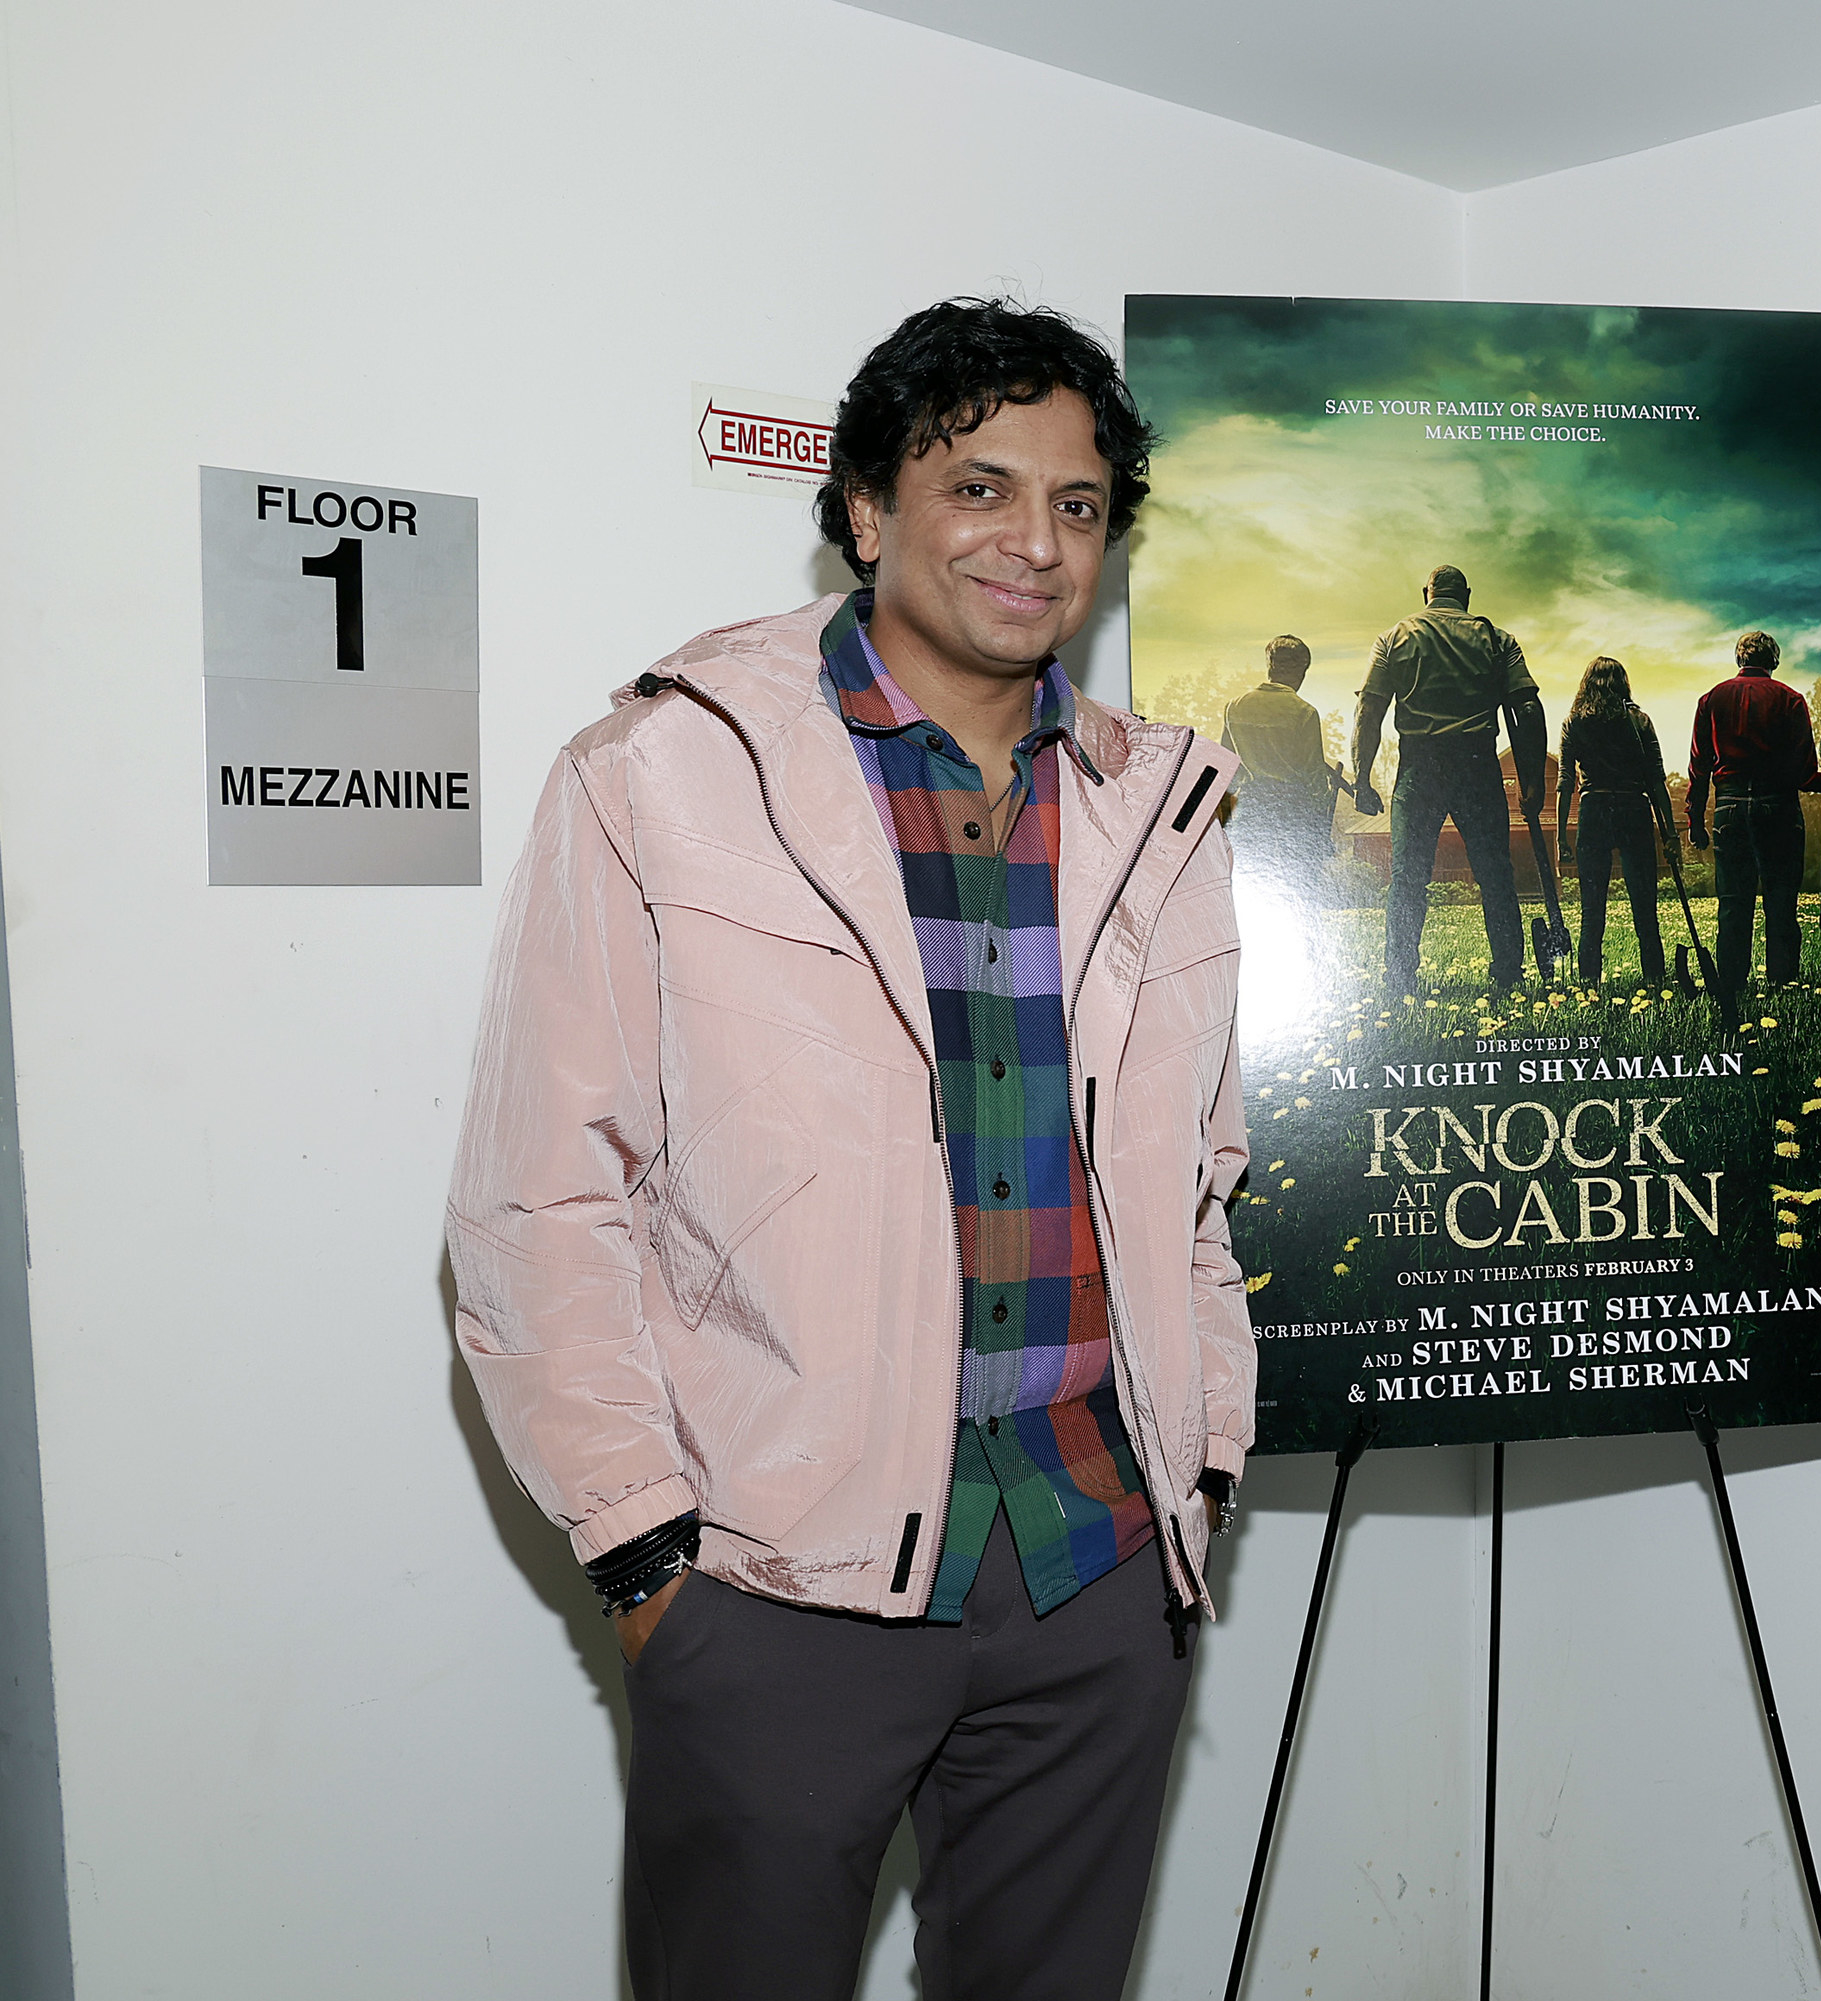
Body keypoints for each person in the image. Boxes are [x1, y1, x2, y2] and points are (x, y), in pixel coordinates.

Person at [446, 298, 1255, 2001]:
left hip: (1098, 1574)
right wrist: (649, 1555)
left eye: (1082, 504)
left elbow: (1196, 1190)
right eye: (980, 489)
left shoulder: (1157, 807)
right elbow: (540, 1200)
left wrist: (1202, 1471)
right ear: (868, 513)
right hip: (776, 1585)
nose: (1038, 543)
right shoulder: (665, 773)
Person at [1351, 564, 1550, 995]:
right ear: (1468, 595)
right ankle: (1508, 974)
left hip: (1419, 767)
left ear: (1427, 593)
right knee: (1495, 873)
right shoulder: (1498, 640)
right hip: (1477, 765)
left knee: (1407, 877)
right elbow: (1528, 709)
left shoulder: (1393, 638)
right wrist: (1534, 779)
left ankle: (1400, 978)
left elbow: (1369, 710)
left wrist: (1363, 778)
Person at [1687, 630, 1821, 1004]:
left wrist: (1696, 821)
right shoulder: (1791, 700)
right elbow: (1804, 771)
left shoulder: (1710, 700)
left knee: (1733, 901)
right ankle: (1782, 984)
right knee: (1780, 899)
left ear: (1739, 659)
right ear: (1773, 661)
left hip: (1729, 806)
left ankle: (1732, 983)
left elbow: (1698, 767)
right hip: (1777, 807)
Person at [1554, 655, 1678, 986]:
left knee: (1591, 909)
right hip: (1633, 810)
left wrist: (1561, 836)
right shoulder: (1640, 721)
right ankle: (1655, 979)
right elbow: (1656, 781)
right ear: (1623, 684)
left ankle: (1589, 982)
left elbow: (1566, 780)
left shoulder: (1574, 722)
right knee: (1644, 906)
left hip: (1593, 811)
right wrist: (1671, 835)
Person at [1220, 633, 1337, 881]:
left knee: (1251, 878)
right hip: (1294, 807)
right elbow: (1313, 773)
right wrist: (1320, 814)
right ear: (1302, 670)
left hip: (1251, 805)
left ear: (1270, 665)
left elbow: (1228, 768)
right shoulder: (1304, 712)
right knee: (1300, 880)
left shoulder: (1235, 706)